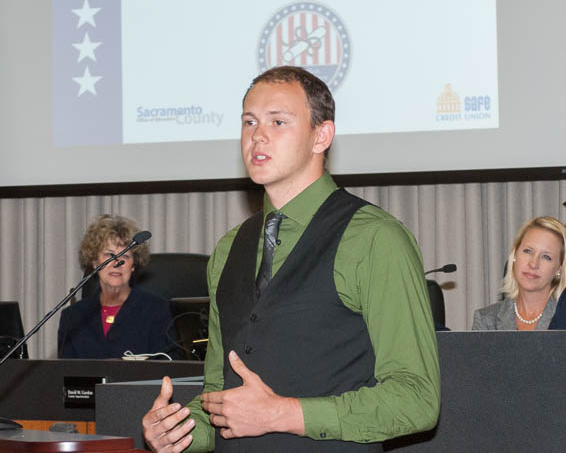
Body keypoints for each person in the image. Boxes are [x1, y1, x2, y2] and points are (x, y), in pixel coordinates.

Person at [142, 67, 440, 452]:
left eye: (277, 121)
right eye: (249, 122)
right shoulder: (229, 248)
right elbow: (218, 397)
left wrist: (284, 414)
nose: (257, 135)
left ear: (322, 135)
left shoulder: (374, 238)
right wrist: (180, 431)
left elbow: (416, 400)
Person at [58, 214, 177, 359]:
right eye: (109, 255)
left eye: (125, 256)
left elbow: (166, 370)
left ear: (133, 265)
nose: (117, 263)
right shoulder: (72, 317)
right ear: (95, 262)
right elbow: (65, 375)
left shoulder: (158, 311)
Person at [472, 216, 566, 331]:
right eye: (528, 251)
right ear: (515, 254)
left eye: (546, 257)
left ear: (559, 268)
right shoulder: (486, 320)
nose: (533, 264)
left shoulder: (562, 319)